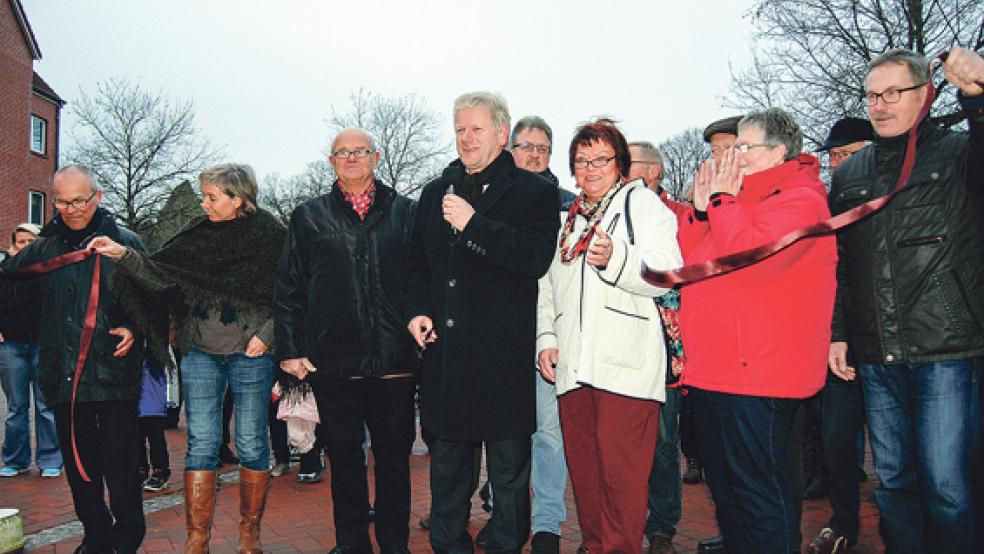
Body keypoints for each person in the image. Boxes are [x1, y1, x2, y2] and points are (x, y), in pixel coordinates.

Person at [828, 47, 984, 552]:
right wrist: (839, 332)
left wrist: (977, 97)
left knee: (948, 487)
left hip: (947, 350)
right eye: (873, 95)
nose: (880, 104)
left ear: (926, 94)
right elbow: (841, 263)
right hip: (877, 357)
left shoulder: (960, 153)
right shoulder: (850, 176)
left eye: (894, 92)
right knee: (892, 484)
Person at [88, 163, 285, 554]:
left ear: (237, 198)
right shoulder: (196, 234)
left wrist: (269, 334)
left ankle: (250, 535)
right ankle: (198, 539)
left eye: (212, 196)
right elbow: (160, 273)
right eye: (204, 195)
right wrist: (123, 254)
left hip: (252, 351)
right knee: (201, 444)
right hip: (200, 352)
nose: (204, 203)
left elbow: (293, 291)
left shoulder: (273, 236)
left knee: (250, 442)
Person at [406, 91, 559, 554]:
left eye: (476, 129)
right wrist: (416, 311)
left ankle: (509, 544)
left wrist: (474, 225)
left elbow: (533, 258)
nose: (467, 138)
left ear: (501, 133)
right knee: (449, 471)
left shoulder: (535, 192)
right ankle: (448, 544)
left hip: (502, 359)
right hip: (447, 360)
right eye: (459, 130)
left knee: (510, 473)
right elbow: (415, 264)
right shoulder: (436, 192)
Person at [679, 108, 837, 553]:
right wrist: (699, 208)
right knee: (726, 488)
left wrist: (722, 201)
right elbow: (693, 263)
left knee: (760, 490)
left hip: (759, 374)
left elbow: (747, 255)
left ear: (779, 152)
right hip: (715, 369)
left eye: (745, 147)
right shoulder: (739, 200)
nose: (735, 156)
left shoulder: (801, 199)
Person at [537, 119, 682, 554]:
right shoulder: (570, 219)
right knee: (587, 479)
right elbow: (548, 284)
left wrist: (618, 257)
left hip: (626, 367)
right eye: (581, 161)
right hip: (575, 369)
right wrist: (546, 337)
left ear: (619, 163)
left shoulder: (642, 204)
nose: (591, 168)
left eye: (601, 159)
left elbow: (668, 273)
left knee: (622, 482)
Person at [275, 127, 419, 554]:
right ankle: (352, 543)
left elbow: (420, 280)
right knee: (345, 460)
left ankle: (395, 544)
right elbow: (289, 288)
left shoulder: (407, 213)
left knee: (394, 462)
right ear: (331, 162)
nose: (352, 158)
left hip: (394, 361)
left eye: (360, 151)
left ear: (375, 157)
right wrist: (290, 350)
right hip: (333, 362)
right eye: (343, 152)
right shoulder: (308, 216)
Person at [0, 165, 147, 553]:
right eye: (62, 201)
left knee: (121, 467)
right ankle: (95, 537)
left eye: (79, 200)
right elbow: (14, 297)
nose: (71, 209)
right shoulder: (45, 247)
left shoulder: (126, 241)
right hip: (63, 375)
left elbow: (153, 296)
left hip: (114, 372)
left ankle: (128, 538)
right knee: (81, 470)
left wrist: (134, 327)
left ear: (98, 197)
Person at [805, 116, 873, 554]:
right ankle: (844, 521)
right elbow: (831, 275)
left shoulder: (891, 194)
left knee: (901, 456)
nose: (838, 163)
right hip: (841, 341)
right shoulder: (827, 205)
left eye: (849, 154)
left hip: (896, 340)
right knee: (837, 441)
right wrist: (835, 333)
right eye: (834, 156)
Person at [508, 115, 569, 554]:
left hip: (550, 338)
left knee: (549, 432)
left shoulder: (566, 204)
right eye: (526, 146)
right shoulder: (492, 198)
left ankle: (547, 520)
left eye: (542, 148)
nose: (533, 154)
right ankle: (502, 505)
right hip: (500, 335)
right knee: (504, 430)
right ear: (510, 149)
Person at [627, 141, 686, 554]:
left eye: (625, 165)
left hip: (667, 349)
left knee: (664, 443)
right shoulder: (610, 215)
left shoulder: (680, 216)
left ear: (651, 173)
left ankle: (662, 527)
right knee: (622, 443)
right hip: (621, 349)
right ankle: (622, 525)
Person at [0, 223, 63, 479]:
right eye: (21, 242)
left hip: (43, 343)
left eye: (30, 242)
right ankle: (15, 460)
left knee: (45, 404)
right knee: (16, 406)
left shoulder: (48, 271)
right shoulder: (5, 272)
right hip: (11, 345)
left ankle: (50, 459)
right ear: (13, 245)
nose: (26, 246)